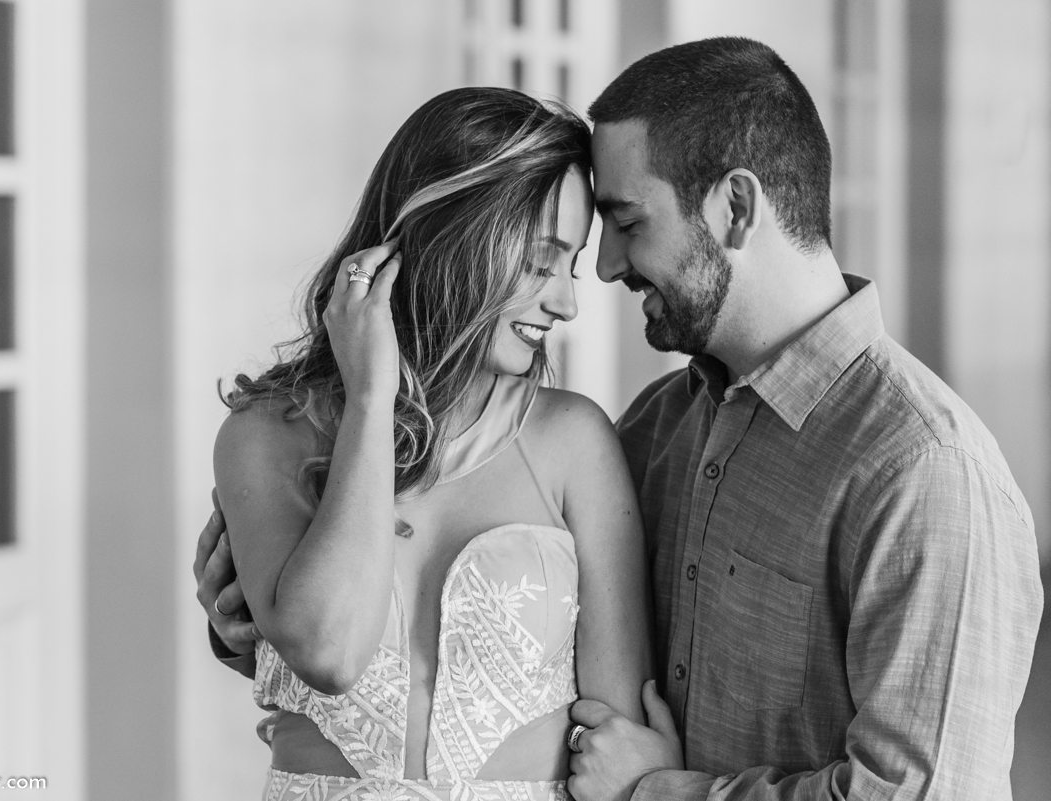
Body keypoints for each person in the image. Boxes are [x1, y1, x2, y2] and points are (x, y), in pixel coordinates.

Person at [201, 36, 1044, 801]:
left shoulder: (925, 469)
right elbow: (425, 648)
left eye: (625, 224)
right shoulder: (659, 430)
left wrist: (664, 793)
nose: (598, 274)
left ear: (736, 210)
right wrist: (256, 621)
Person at [204, 87, 653, 800]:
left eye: (571, 264)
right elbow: (329, 651)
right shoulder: (264, 436)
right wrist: (371, 401)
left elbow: (619, 733)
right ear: (455, 236)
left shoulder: (574, 443)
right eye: (541, 261)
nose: (566, 301)